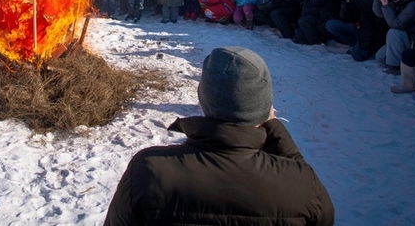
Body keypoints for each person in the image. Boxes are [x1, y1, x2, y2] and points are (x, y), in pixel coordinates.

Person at [104, 47, 334, 225]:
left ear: (204, 100)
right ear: (265, 108)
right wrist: (273, 127)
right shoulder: (301, 182)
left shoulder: (149, 169)